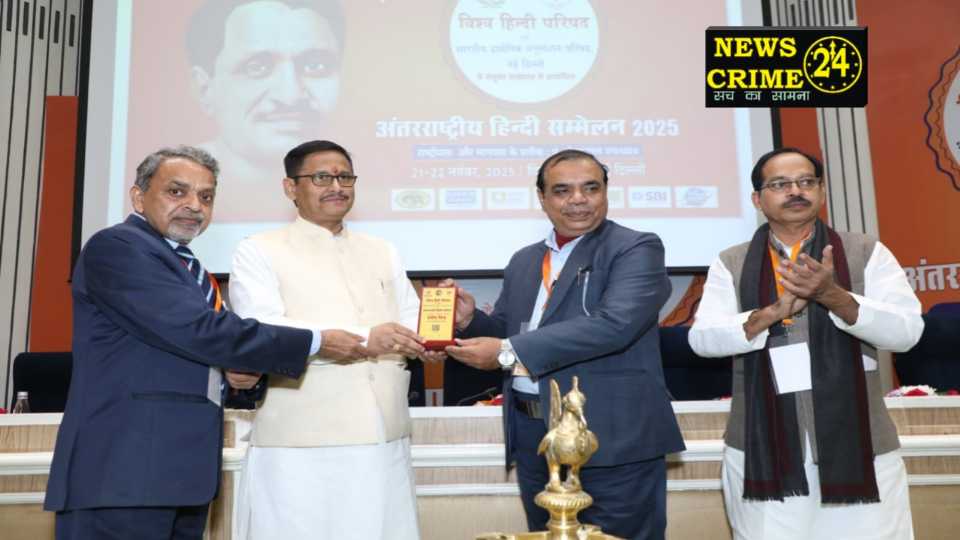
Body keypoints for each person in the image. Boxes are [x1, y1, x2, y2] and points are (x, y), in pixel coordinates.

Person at [44, 146, 322, 540]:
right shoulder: (119, 246)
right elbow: (198, 330)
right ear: (139, 197)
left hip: (179, 478)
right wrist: (317, 340)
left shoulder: (187, 268)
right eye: (177, 192)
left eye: (206, 196)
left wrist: (237, 379)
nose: (195, 205)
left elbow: (186, 352)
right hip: (123, 477)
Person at [443, 149, 685, 540]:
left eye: (591, 188)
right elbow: (512, 328)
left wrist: (506, 352)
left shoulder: (635, 248)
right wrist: (471, 321)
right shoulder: (525, 260)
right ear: (542, 198)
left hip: (610, 434)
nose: (578, 199)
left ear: (605, 192)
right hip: (535, 437)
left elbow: (614, 325)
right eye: (562, 190)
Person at [688, 147, 923, 539]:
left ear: (822, 191)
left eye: (805, 182)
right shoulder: (732, 261)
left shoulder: (865, 252)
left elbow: (907, 332)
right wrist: (772, 312)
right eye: (780, 184)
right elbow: (703, 339)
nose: (795, 191)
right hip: (763, 451)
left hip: (862, 447)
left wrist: (833, 295)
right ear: (757, 199)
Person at [228, 140, 432, 539]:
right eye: (322, 177)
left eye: (345, 177)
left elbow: (409, 319)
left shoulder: (382, 250)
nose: (337, 187)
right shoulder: (258, 250)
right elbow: (263, 328)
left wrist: (432, 339)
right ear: (291, 187)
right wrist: (367, 339)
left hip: (384, 433)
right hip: (300, 438)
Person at [186, 0, 345, 221]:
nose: (290, 96)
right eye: (257, 67)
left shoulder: (369, 202)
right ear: (205, 89)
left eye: (315, 66)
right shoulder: (168, 192)